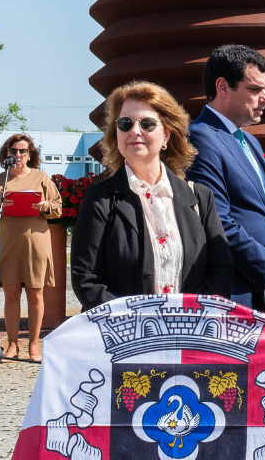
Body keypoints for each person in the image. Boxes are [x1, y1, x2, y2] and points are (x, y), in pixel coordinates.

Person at [70, 81, 234, 309]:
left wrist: (189, 315)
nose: (135, 131)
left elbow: (221, 270)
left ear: (166, 134)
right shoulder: (100, 199)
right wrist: (138, 322)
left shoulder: (200, 197)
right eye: (125, 123)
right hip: (126, 329)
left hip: (190, 327)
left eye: (147, 123)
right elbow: (86, 278)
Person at [186, 45, 265, 309]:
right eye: (255, 89)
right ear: (222, 87)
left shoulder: (250, 141)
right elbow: (217, 222)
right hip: (233, 296)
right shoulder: (200, 138)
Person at [0, 134, 61, 359]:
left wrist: (45, 205)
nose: (17, 155)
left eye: (22, 151)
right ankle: (12, 345)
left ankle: (34, 345)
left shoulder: (41, 178)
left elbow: (57, 208)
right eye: (13, 150)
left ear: (30, 154)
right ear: (6, 154)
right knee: (11, 295)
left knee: (36, 295)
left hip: (36, 244)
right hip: (7, 244)